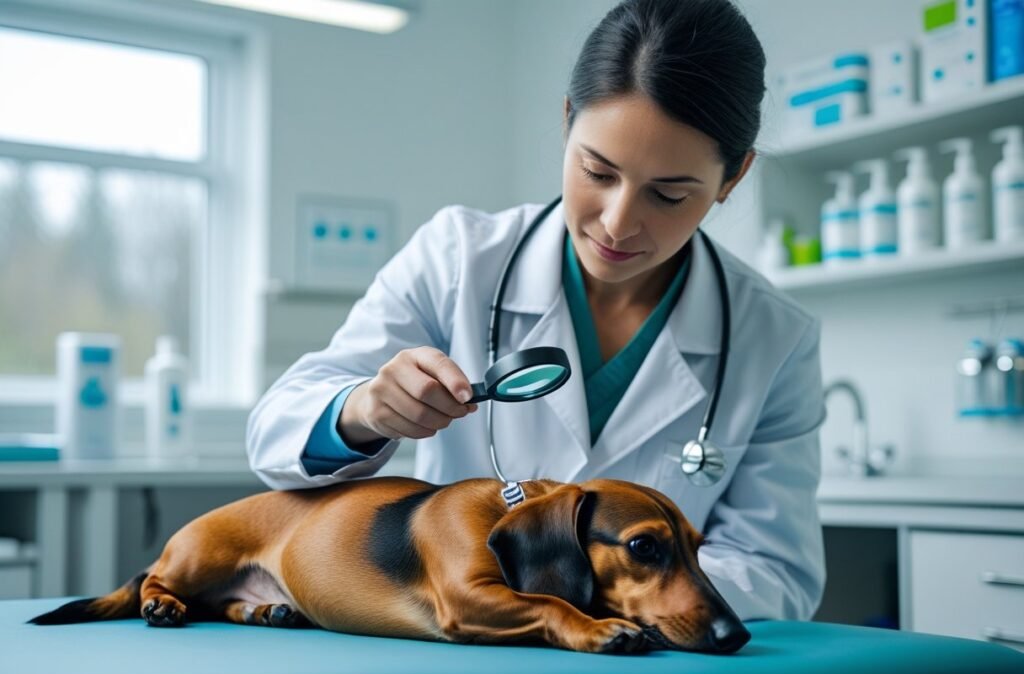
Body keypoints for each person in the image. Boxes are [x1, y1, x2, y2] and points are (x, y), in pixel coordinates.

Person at [247, 0, 826, 623]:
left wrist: (596, 591)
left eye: (667, 195)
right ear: (567, 121)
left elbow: (775, 569)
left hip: (650, 662)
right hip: (468, 643)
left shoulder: (774, 337)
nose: (618, 222)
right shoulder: (459, 258)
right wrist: (363, 410)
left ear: (733, 177)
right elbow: (276, 429)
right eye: (597, 172)